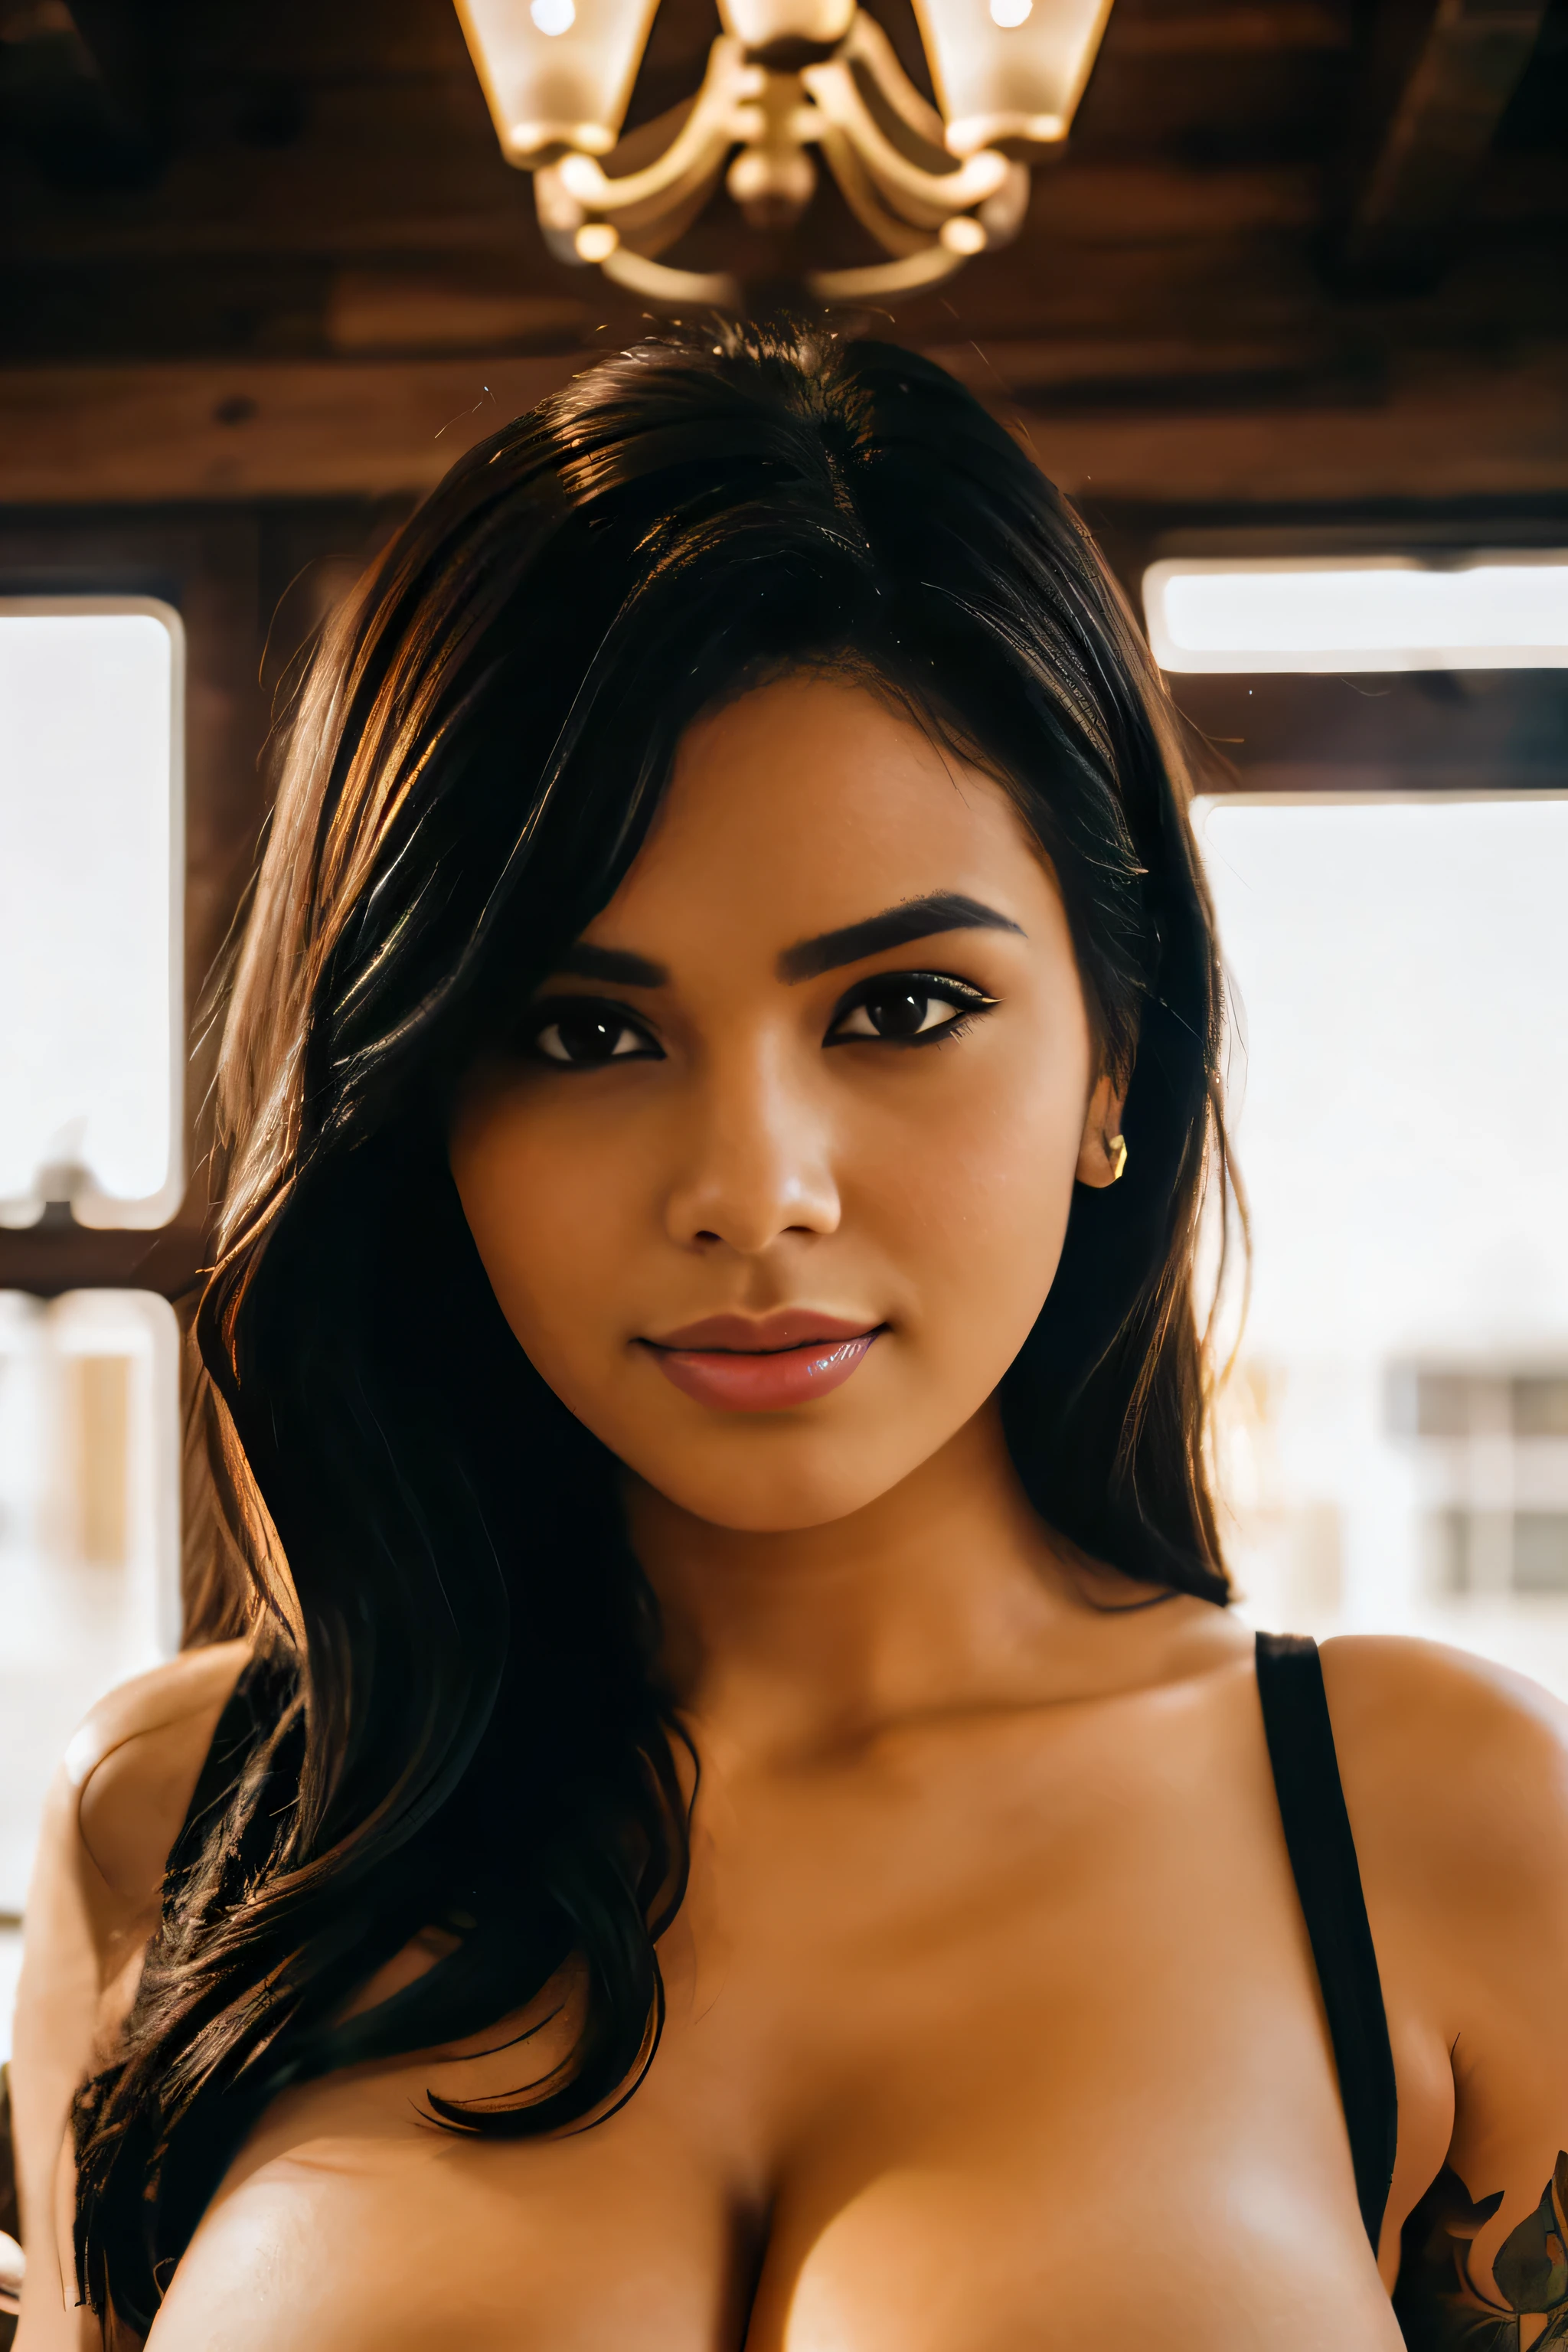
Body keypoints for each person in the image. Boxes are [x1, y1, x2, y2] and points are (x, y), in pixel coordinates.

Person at [11, 325, 1568, 2352]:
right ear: (425, 1104)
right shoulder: (187, 1829)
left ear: (1123, 1051)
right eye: (585, 1031)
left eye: (901, 1006)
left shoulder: (1436, 1829)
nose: (758, 1190)